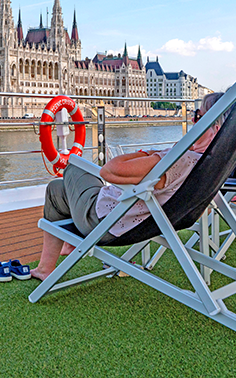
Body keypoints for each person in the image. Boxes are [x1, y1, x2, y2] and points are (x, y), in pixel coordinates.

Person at [31, 93, 225, 281]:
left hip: (105, 221)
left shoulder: (181, 160)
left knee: (74, 166)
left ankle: (57, 255)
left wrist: (149, 153)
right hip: (145, 222)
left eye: (198, 117)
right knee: (57, 189)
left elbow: (109, 171)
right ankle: (48, 265)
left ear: (214, 129)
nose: (192, 122)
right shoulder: (214, 164)